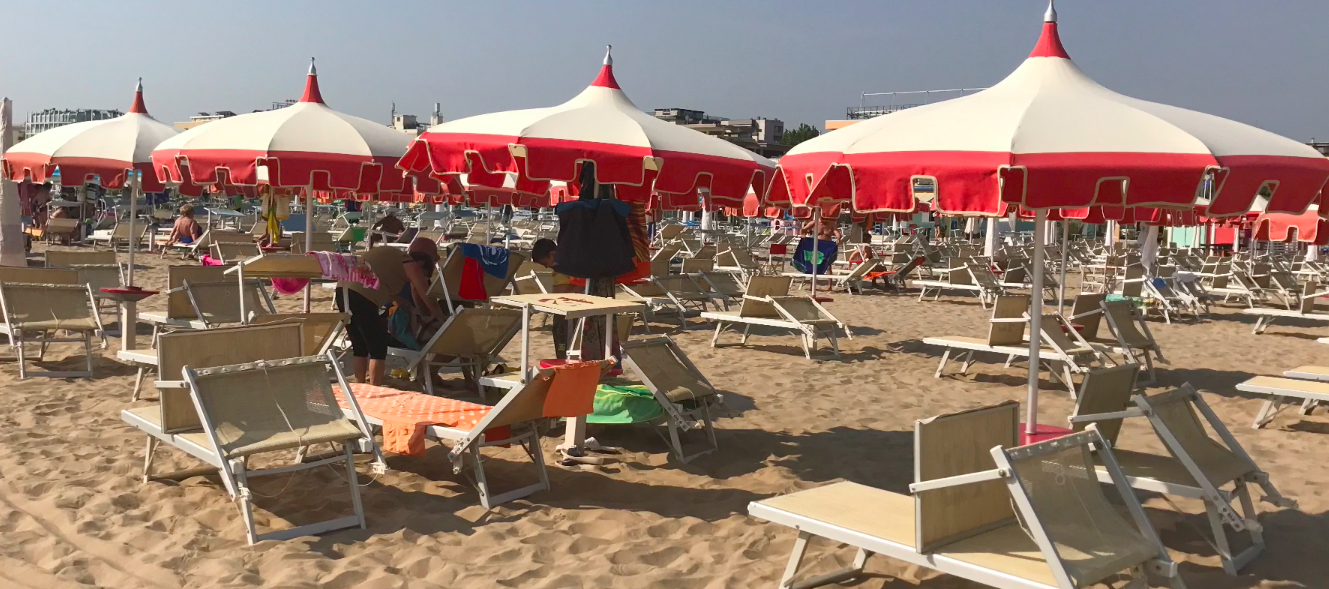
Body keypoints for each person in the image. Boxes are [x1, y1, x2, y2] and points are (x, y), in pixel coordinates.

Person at [337, 238, 446, 385]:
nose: (421, 279)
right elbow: (425, 295)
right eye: (423, 276)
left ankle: (359, 385)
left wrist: (398, 300)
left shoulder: (393, 260)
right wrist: (440, 318)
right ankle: (374, 388)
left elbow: (381, 282)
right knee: (378, 348)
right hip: (362, 295)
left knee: (360, 346)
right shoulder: (410, 264)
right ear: (421, 264)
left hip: (342, 291)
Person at [531, 238, 577, 359]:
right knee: (562, 345)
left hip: (567, 315)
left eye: (545, 263)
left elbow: (579, 288)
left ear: (552, 255)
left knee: (564, 347)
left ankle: (563, 360)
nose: (547, 267)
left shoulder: (566, 267)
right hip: (563, 314)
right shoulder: (563, 267)